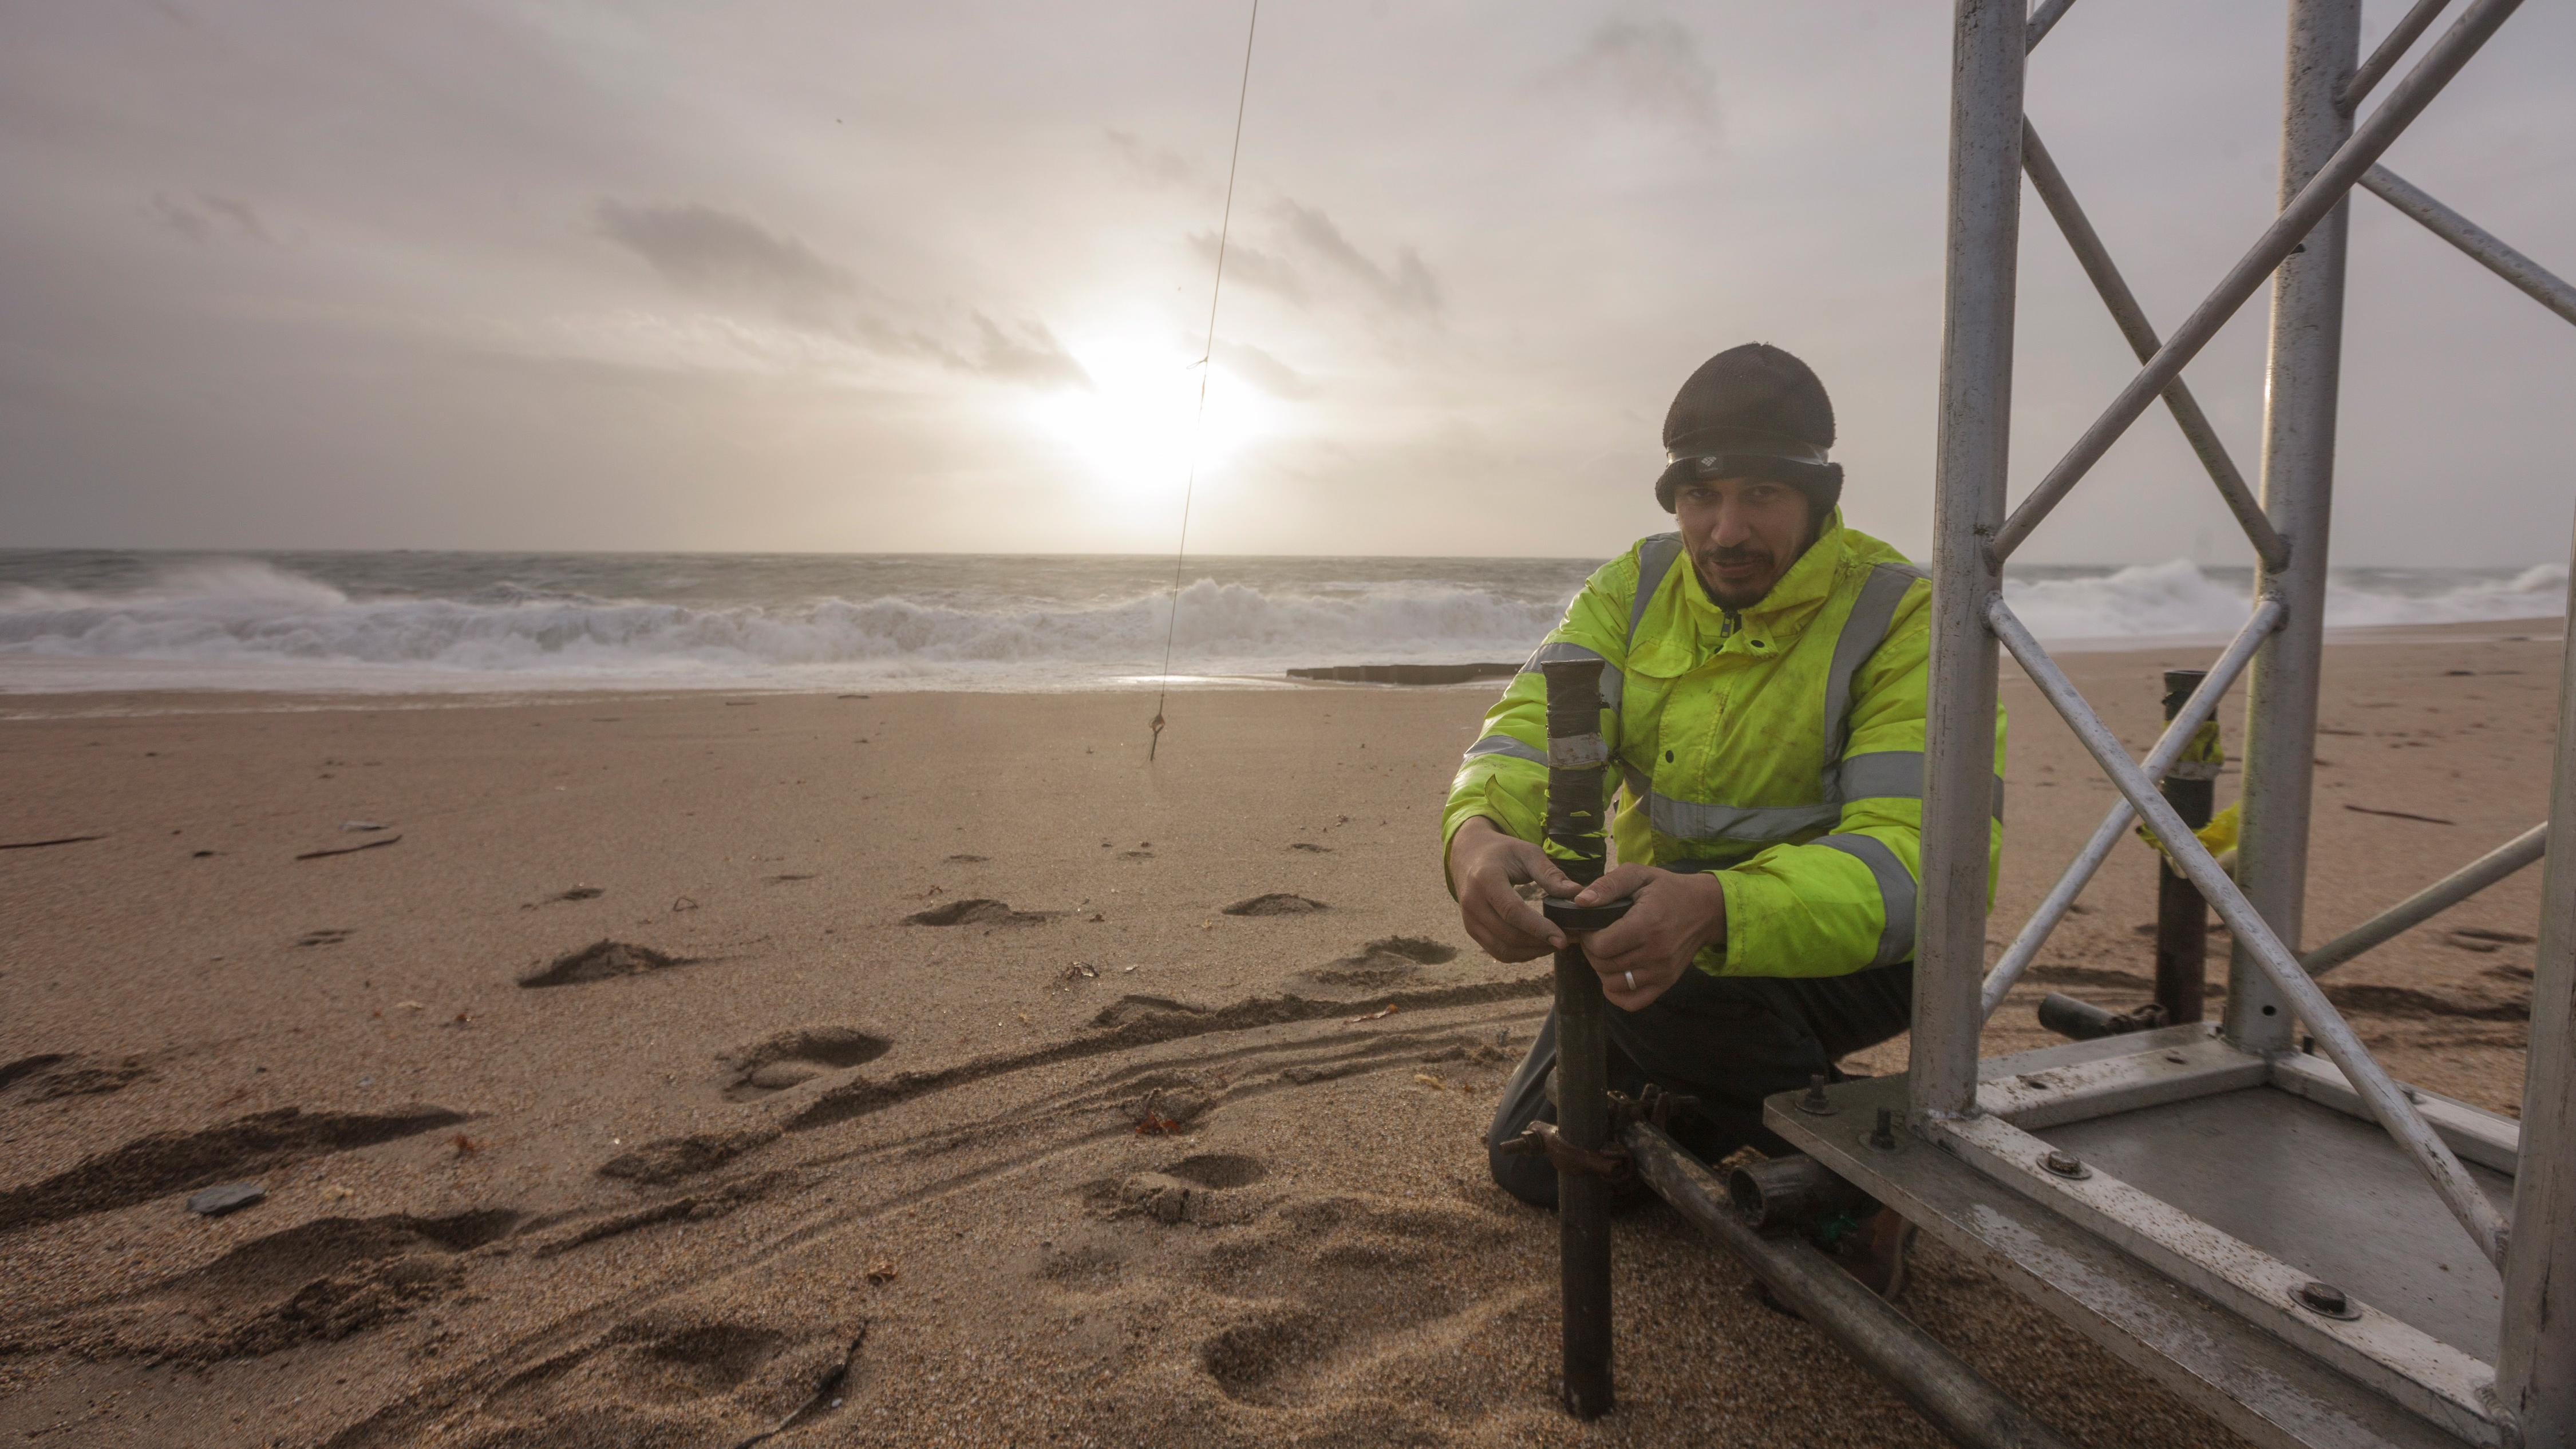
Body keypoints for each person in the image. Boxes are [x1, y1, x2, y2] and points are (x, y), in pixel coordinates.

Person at [1441, 343, 2004, 1297]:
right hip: (1658, 942)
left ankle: (1867, 1180)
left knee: (1654, 984)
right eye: (1701, 497)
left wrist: (1715, 909)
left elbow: (1922, 864)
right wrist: (1475, 836)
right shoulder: (1635, 585)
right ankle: (1738, 1108)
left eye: (1762, 496)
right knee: (1529, 1162)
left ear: (1822, 495)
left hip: (1867, 953)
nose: (1726, 529)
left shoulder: (1905, 616)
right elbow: (1530, 721)